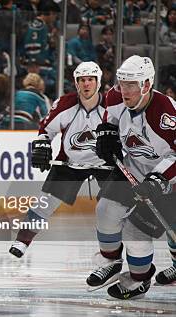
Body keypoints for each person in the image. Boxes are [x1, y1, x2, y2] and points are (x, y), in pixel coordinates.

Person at [8, 62, 114, 261]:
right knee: (45, 203)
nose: (86, 84)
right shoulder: (65, 103)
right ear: (76, 83)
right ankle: (22, 241)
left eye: (90, 79)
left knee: (114, 207)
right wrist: (42, 144)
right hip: (70, 161)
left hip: (105, 163)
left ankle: (112, 251)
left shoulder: (112, 105)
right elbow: (45, 130)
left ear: (98, 82)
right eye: (82, 80)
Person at [94, 55, 175, 299]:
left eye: (131, 84)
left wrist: (158, 179)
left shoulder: (166, 114)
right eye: (121, 83)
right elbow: (111, 120)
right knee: (105, 211)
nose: (124, 90)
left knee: (137, 231)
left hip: (168, 177)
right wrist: (106, 134)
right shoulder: (114, 96)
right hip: (132, 167)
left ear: (147, 85)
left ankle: (139, 278)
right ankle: (112, 262)